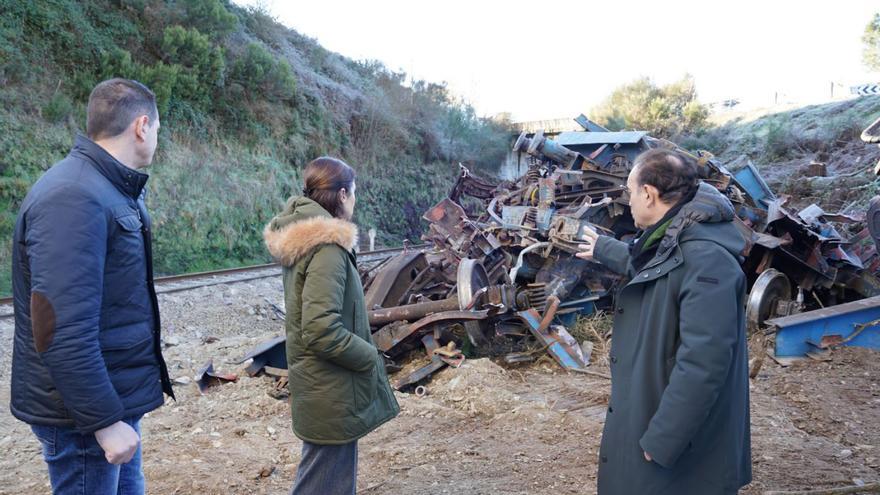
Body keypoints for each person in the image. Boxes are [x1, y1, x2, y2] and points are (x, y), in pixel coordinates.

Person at [10, 78, 174, 494]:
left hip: (107, 402)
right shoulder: (74, 196)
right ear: (141, 126)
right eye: (157, 127)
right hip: (83, 419)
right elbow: (60, 326)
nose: (156, 136)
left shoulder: (108, 188)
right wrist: (104, 423)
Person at [576, 148, 752, 494]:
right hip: (656, 409)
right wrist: (603, 248)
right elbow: (651, 264)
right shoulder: (678, 233)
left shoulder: (707, 262)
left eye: (630, 192)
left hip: (681, 441)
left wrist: (663, 437)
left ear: (649, 194)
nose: (628, 202)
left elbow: (704, 362)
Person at [263, 156, 399, 495]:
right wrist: (369, 355)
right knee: (323, 481)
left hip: (322, 383)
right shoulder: (327, 248)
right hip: (331, 385)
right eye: (353, 192)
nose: (355, 199)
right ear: (341, 195)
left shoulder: (305, 239)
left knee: (330, 477)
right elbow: (321, 328)